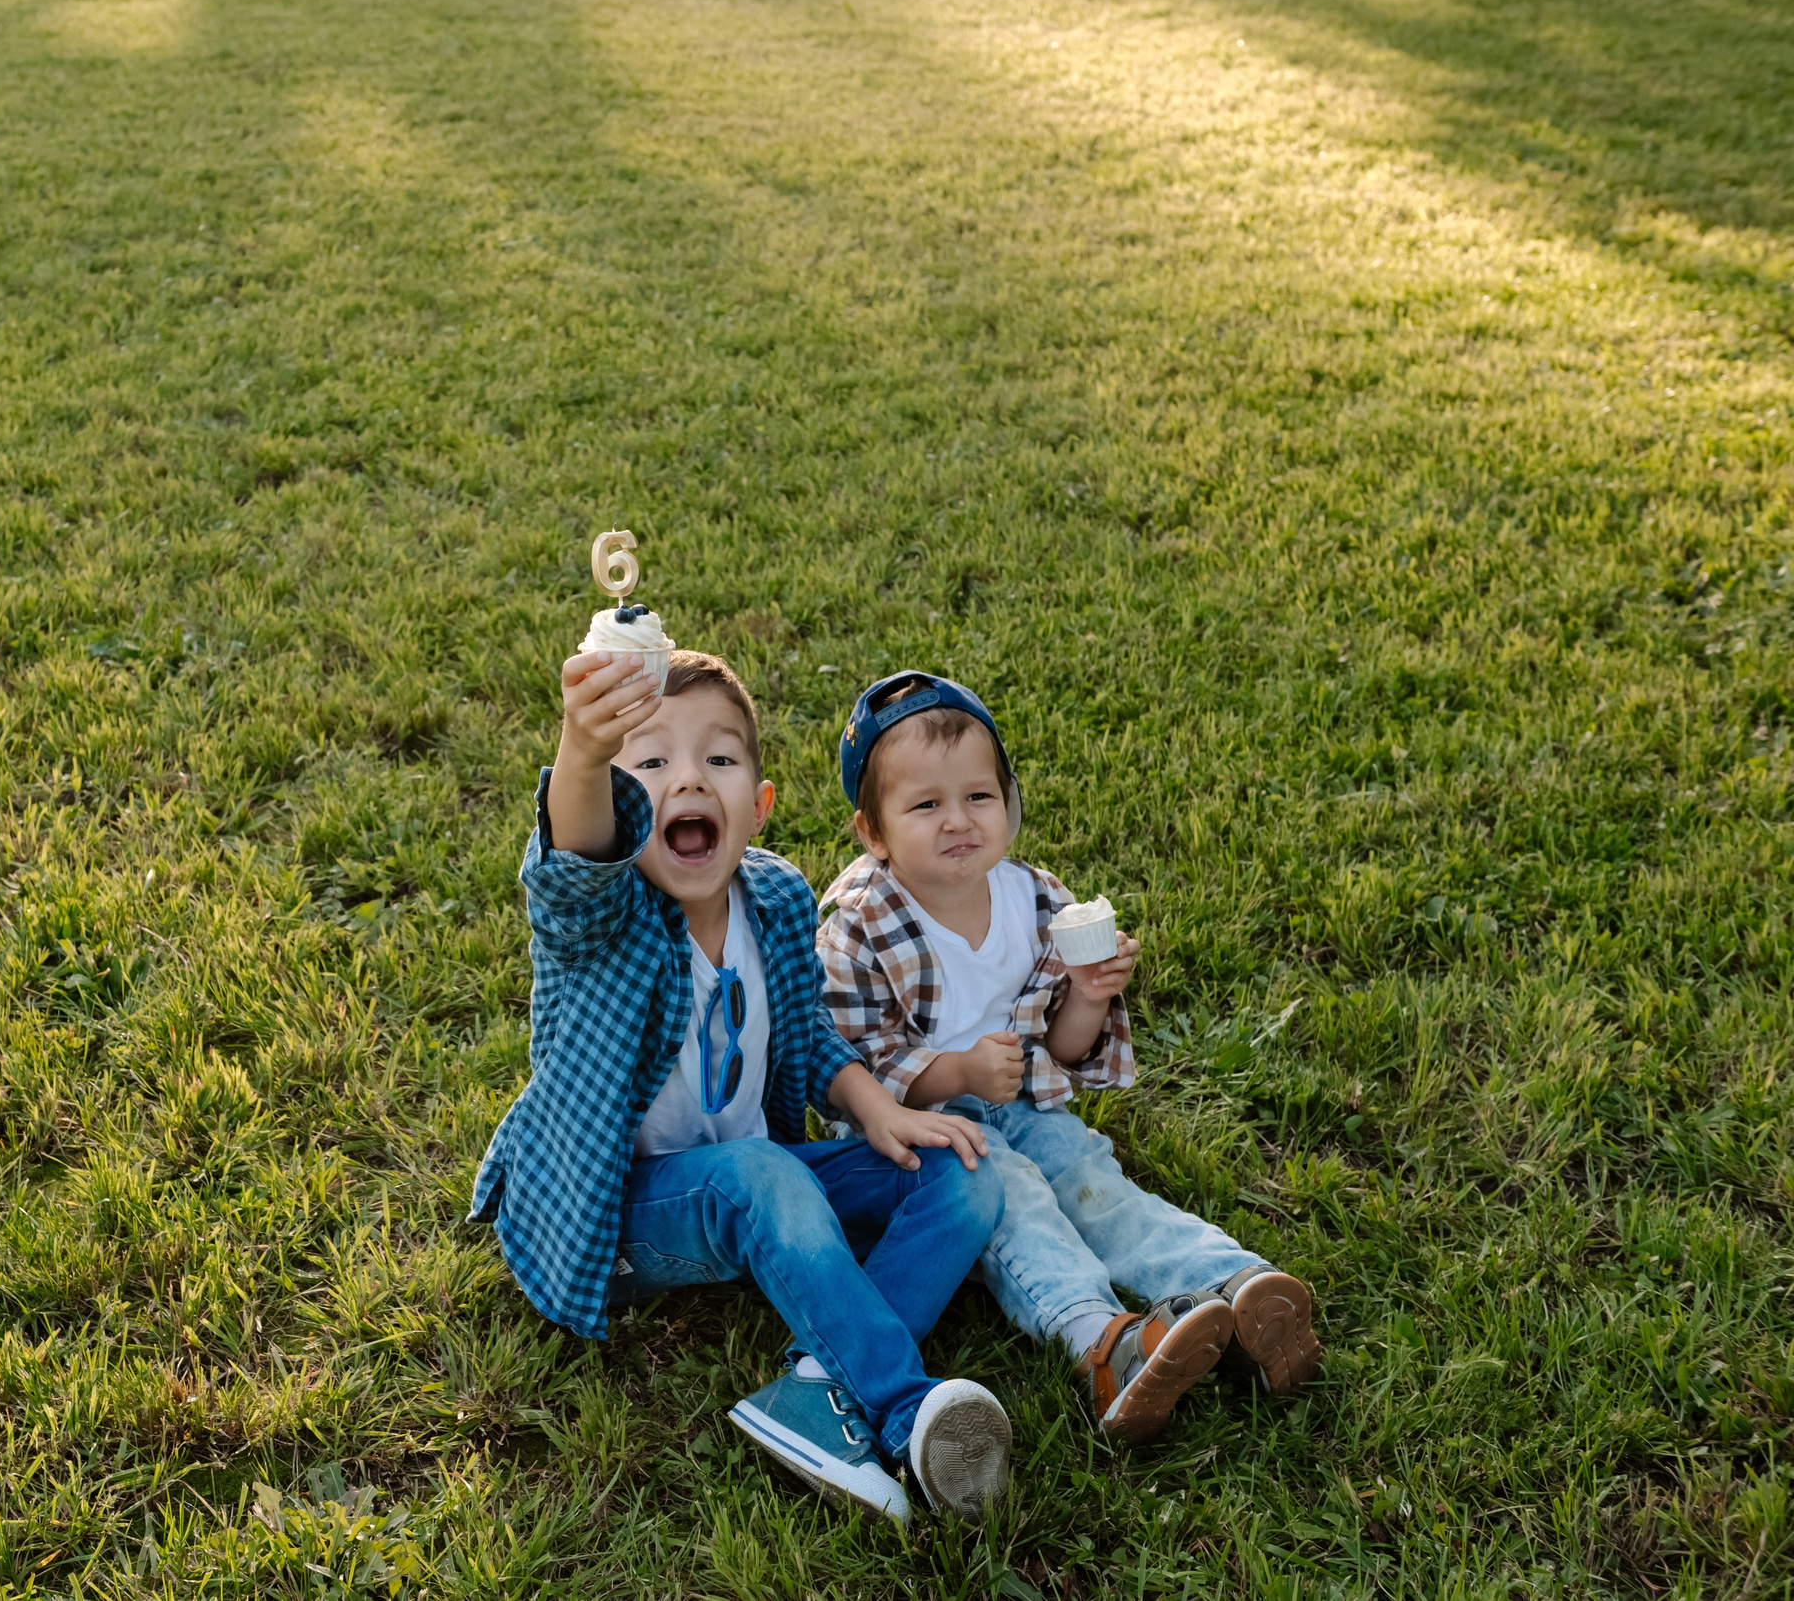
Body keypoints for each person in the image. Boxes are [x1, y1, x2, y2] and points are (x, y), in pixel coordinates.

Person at [469, 647, 1012, 1525]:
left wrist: (878, 1107)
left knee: (964, 1169)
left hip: (762, 1182)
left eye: (718, 759)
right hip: (625, 1216)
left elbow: (806, 1034)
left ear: (756, 806)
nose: (687, 779)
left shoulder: (780, 899)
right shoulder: (604, 920)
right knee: (763, 1171)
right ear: (616, 806)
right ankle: (903, 1405)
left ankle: (809, 1390)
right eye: (649, 764)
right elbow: (570, 863)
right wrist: (580, 747)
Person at [818, 672, 1324, 1442]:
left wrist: (1088, 993)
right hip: (933, 1133)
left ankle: (1237, 1283)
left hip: (1030, 1102)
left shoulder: (1037, 900)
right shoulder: (858, 924)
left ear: (1008, 801)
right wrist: (956, 1075)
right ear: (874, 831)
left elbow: (1063, 1048)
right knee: (1018, 1204)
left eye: (978, 797)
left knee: (1095, 1184)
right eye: (925, 805)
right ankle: (1103, 1342)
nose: (958, 820)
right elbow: (855, 1062)